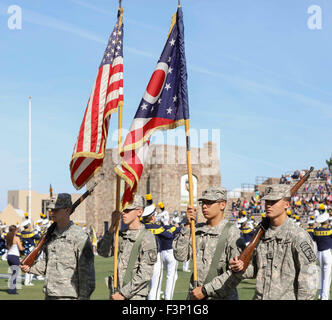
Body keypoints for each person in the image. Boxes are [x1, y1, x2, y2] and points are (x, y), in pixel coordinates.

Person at [229, 184, 318, 300]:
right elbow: (255, 269)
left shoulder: (298, 236)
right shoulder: (261, 234)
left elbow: (309, 280)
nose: (268, 205)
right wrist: (240, 267)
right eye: (267, 201)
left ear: (287, 204)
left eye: (274, 201)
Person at [173, 187, 245, 300]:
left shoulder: (232, 232)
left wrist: (205, 291)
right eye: (203, 202)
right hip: (195, 295)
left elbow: (236, 273)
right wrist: (187, 225)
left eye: (210, 202)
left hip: (221, 295)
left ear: (222, 205)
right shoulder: (196, 230)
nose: (204, 206)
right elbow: (180, 256)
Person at [20, 193, 95, 300]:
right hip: (50, 294)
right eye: (51, 210)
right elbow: (46, 263)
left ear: (67, 210)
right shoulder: (50, 235)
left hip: (69, 296)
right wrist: (29, 268)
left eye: (56, 210)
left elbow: (87, 274)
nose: (52, 212)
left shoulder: (79, 236)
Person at [97, 195, 158, 300]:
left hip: (134, 296)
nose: (123, 213)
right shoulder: (120, 236)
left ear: (139, 212)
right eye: (123, 210)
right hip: (115, 293)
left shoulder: (146, 237)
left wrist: (123, 294)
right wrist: (112, 227)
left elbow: (145, 274)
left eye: (127, 210)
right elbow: (103, 252)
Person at [141, 204, 175, 300]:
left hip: (142, 258)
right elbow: (169, 235)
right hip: (155, 257)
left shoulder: (142, 227)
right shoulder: (157, 227)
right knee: (155, 287)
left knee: (143, 286)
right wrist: (166, 224)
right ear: (152, 217)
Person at [158, 222, 182, 300]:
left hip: (161, 253)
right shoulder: (172, 228)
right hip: (171, 253)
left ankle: (158, 294)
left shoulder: (159, 228)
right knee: (171, 276)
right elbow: (181, 229)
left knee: (159, 275)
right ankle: (168, 297)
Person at [313, 211, 332, 300]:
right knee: (327, 277)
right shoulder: (329, 231)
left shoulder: (316, 231)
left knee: (321, 275)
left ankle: (320, 295)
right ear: (327, 222)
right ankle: (324, 297)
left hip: (319, 254)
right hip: (327, 253)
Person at [20, 219, 41, 286]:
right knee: (30, 266)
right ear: (28, 226)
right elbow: (38, 237)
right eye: (30, 225)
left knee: (27, 266)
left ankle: (28, 281)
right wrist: (37, 231)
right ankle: (28, 282)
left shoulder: (22, 232)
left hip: (25, 251)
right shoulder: (30, 233)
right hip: (30, 252)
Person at [6, 225, 24, 294]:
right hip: (14, 256)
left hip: (9, 256)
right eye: (16, 230)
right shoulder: (16, 238)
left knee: (13, 274)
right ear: (14, 231)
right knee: (15, 274)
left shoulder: (8, 237)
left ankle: (13, 289)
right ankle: (12, 291)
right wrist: (24, 248)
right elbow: (20, 248)